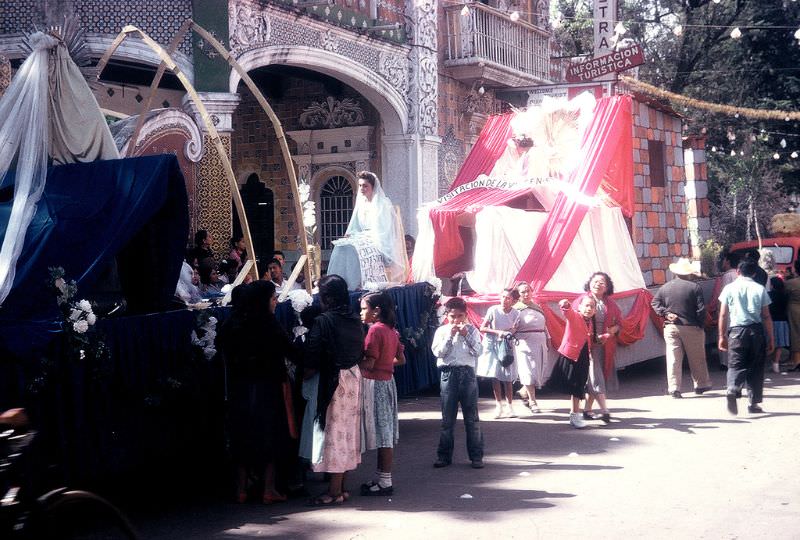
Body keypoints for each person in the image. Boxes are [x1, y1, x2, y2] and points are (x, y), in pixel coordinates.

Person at [216, 281, 296, 504]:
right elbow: (290, 350)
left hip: (240, 389)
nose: (276, 302)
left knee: (243, 436)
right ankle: (268, 490)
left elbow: (220, 345)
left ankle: (241, 489)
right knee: (269, 436)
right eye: (273, 298)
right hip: (267, 388)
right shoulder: (269, 324)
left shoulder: (233, 322)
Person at [303, 274, 364, 505]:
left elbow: (313, 353)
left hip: (333, 381)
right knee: (347, 433)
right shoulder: (354, 318)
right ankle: (342, 486)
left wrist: (306, 373)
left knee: (335, 435)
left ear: (327, 297)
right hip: (352, 377)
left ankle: (334, 491)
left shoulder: (324, 320)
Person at [358, 291, 405, 496]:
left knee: (383, 434)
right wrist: (385, 365)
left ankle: (386, 481)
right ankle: (381, 477)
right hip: (388, 382)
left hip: (376, 384)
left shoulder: (375, 331)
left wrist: (353, 364)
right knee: (385, 431)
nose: (360, 312)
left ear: (376, 311)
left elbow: (369, 361)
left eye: (363, 308)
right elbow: (400, 360)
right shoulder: (391, 331)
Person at [327, 171, 407, 289]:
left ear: (373, 187)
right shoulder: (361, 204)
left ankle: (353, 285)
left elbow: (386, 229)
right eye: (360, 186)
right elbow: (355, 227)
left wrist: (367, 237)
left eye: (365, 186)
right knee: (340, 246)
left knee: (352, 249)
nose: (362, 188)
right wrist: (350, 235)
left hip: (378, 240)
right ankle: (336, 285)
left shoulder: (383, 204)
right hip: (362, 237)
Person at [431, 297, 484, 469]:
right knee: (447, 420)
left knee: (472, 419)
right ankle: (444, 456)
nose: (456, 320)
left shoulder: (472, 330)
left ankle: (476, 457)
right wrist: (450, 336)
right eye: (452, 316)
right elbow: (439, 353)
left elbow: (478, 351)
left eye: (459, 316)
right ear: (447, 315)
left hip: (467, 374)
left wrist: (465, 335)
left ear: (465, 315)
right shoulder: (441, 331)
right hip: (449, 374)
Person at [718, 261, 774, 415]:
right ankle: (754, 404)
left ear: (738, 272)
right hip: (756, 331)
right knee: (756, 367)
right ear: (754, 273)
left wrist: (721, 336)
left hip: (736, 332)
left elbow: (723, 314)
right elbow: (766, 316)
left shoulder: (729, 288)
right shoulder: (759, 288)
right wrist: (771, 338)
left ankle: (732, 388)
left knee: (735, 364)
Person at [651, 258, 712, 398]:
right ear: (689, 273)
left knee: (673, 358)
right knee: (696, 357)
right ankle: (701, 385)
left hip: (671, 327)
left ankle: (674, 388)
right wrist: (700, 324)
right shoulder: (694, 287)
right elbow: (701, 310)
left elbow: (654, 302)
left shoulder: (665, 287)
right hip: (691, 326)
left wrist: (665, 313)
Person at [548, 295, 597, 429]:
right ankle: (575, 415)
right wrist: (565, 304)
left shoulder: (590, 322)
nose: (589, 309)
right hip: (571, 355)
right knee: (576, 387)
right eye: (586, 305)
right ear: (580, 307)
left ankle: (574, 414)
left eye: (592, 306)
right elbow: (567, 311)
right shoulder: (575, 316)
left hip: (583, 356)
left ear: (595, 310)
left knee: (579, 386)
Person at [577, 272, 621, 422]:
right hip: (588, 345)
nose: (598, 284)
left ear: (607, 286)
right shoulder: (582, 300)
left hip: (605, 346)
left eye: (602, 282)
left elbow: (619, 323)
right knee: (595, 377)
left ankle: (587, 410)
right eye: (595, 281)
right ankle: (604, 410)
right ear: (589, 283)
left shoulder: (611, 303)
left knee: (597, 376)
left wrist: (610, 332)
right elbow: (574, 319)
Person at [477, 288, 520, 418]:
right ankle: (498, 406)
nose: (504, 300)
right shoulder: (493, 310)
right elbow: (482, 327)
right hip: (492, 345)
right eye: (502, 297)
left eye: (507, 298)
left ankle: (510, 407)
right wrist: (498, 332)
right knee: (495, 376)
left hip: (506, 346)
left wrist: (508, 333)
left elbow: (514, 330)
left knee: (507, 377)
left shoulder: (516, 313)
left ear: (513, 301)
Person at [513, 281, 549, 413]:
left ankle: (523, 391)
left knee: (536, 372)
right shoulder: (515, 310)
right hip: (524, 343)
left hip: (540, 341)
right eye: (523, 291)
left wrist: (548, 339)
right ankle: (533, 401)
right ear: (518, 294)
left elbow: (544, 325)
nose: (526, 294)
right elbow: (512, 328)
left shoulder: (537, 307)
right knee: (528, 371)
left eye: (528, 290)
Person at [710, 252, 741, 369]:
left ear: (727, 261)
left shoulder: (727, 276)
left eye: (723, 260)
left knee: (726, 335)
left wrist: (718, 310)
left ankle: (726, 362)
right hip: (737, 311)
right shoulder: (738, 274)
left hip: (728, 311)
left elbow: (723, 297)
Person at [768, 276, 789, 374]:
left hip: (771, 321)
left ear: (772, 285)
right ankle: (776, 363)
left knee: (770, 343)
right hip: (782, 321)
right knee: (779, 344)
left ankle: (770, 362)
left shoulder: (769, 295)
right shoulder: (785, 295)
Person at [781, 258, 800, 370]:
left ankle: (796, 361)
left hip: (794, 309)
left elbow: (784, 295)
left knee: (795, 334)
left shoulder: (790, 283)